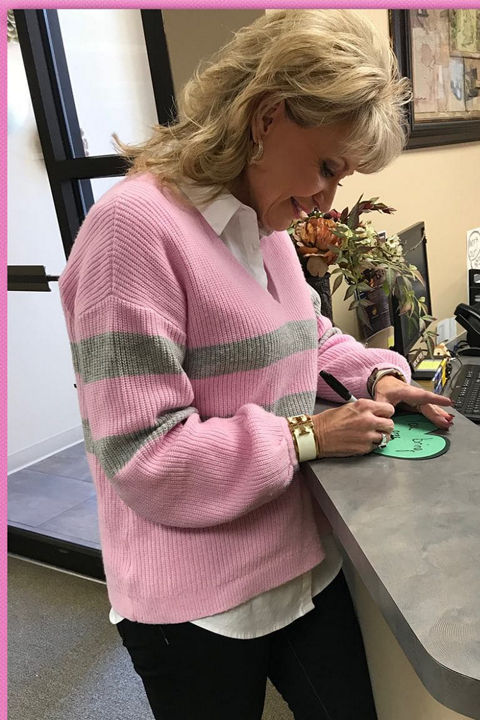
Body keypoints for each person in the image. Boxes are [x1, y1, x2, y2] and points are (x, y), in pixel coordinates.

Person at [58, 10, 451, 719]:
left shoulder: (261, 222)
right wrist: (308, 435)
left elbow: (309, 336)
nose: (327, 199)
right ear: (267, 118)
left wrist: (380, 377)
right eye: (327, 166)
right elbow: (145, 456)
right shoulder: (131, 234)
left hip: (299, 559)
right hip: (196, 602)